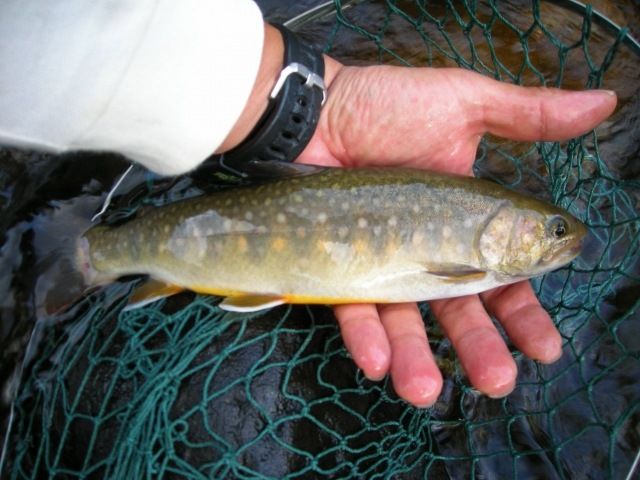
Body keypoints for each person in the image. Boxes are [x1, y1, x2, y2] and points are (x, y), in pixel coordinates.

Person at [0, 1, 617, 408]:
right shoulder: (469, 264)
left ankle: (95, 252)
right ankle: (94, 254)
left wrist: (290, 103)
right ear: (503, 225)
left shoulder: (475, 250)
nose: (562, 241)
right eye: (550, 229)